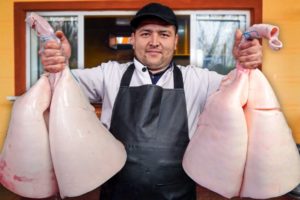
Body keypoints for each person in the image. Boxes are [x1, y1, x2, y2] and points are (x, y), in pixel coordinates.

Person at [41, 2, 262, 200]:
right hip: (116, 191)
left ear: (175, 41)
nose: (154, 42)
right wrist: (60, 66)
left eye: (164, 34)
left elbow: (242, 92)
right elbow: (61, 89)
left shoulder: (198, 79)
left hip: (179, 192)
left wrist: (245, 66)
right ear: (133, 39)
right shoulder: (109, 74)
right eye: (146, 33)